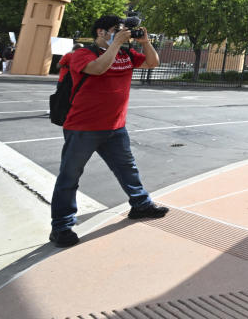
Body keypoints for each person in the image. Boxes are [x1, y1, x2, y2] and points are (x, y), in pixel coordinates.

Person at [49, 16, 167, 248]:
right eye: (116, 30)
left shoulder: (126, 55)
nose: (122, 34)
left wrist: (144, 42)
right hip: (83, 127)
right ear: (101, 32)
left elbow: (153, 63)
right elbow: (98, 69)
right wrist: (114, 44)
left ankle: (140, 204)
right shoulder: (83, 54)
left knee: (127, 169)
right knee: (69, 176)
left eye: (124, 31)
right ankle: (61, 226)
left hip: (115, 127)